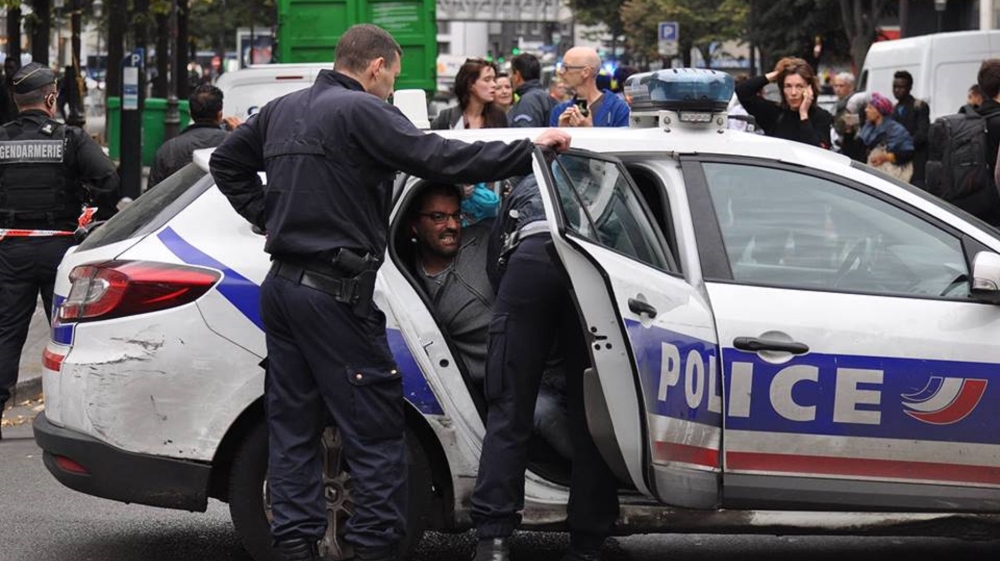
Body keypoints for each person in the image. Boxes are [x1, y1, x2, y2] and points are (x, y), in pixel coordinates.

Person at [208, 23, 571, 561]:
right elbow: (441, 159)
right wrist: (529, 150)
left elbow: (226, 163)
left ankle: (293, 549)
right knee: (375, 432)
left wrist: (272, 217)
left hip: (283, 288)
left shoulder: (284, 109)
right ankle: (374, 548)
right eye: (392, 77)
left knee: (293, 430)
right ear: (376, 66)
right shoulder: (363, 111)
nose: (390, 88)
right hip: (334, 295)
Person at [471, 174, 619, 561]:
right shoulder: (603, 179)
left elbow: (496, 267)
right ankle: (587, 544)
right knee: (593, 414)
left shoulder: (524, 182)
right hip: (585, 266)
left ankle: (493, 541)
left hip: (528, 263)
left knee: (509, 409)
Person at [0, 62, 121, 437]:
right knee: (68, 331)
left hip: (11, 250)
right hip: (59, 250)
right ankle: (73, 415)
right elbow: (108, 180)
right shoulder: (70, 138)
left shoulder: (2, 139)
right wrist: (84, 206)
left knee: (6, 333)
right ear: (51, 97)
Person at [148, 84, 242, 188]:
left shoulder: (168, 149)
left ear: (190, 113)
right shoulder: (235, 144)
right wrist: (242, 134)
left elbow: (152, 195)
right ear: (219, 115)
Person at [735, 56, 832, 148]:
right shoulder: (775, 114)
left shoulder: (821, 117)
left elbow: (818, 152)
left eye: (799, 86)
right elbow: (742, 91)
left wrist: (803, 114)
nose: (793, 93)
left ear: (810, 88)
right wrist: (777, 74)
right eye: (788, 86)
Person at [550, 47, 630, 128]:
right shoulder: (560, 111)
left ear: (585, 72)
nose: (560, 72)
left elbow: (623, 140)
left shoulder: (618, 109)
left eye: (566, 67)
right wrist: (562, 132)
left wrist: (589, 130)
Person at [431, 57, 508, 129]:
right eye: (487, 80)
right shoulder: (446, 118)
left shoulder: (499, 117)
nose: (494, 85)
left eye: (494, 79)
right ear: (470, 84)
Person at [857, 92, 915, 182]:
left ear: (879, 111)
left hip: (890, 175)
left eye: (870, 108)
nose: (866, 110)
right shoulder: (867, 128)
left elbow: (908, 152)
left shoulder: (896, 129)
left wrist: (886, 157)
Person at [890, 70, 930, 187]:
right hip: (898, 165)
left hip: (916, 163)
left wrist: (904, 147)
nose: (897, 90)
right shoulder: (893, 109)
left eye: (901, 87)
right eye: (895, 87)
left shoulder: (919, 106)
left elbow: (922, 134)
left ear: (909, 87)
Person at [507, 53, 556, 128]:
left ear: (517, 75)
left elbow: (524, 134)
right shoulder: (548, 97)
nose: (510, 78)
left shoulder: (527, 102)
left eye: (511, 74)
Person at [0, 58, 19, 124]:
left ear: (16, 68)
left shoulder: (21, 86)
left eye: (11, 68)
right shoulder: (2, 86)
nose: (8, 70)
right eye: (6, 68)